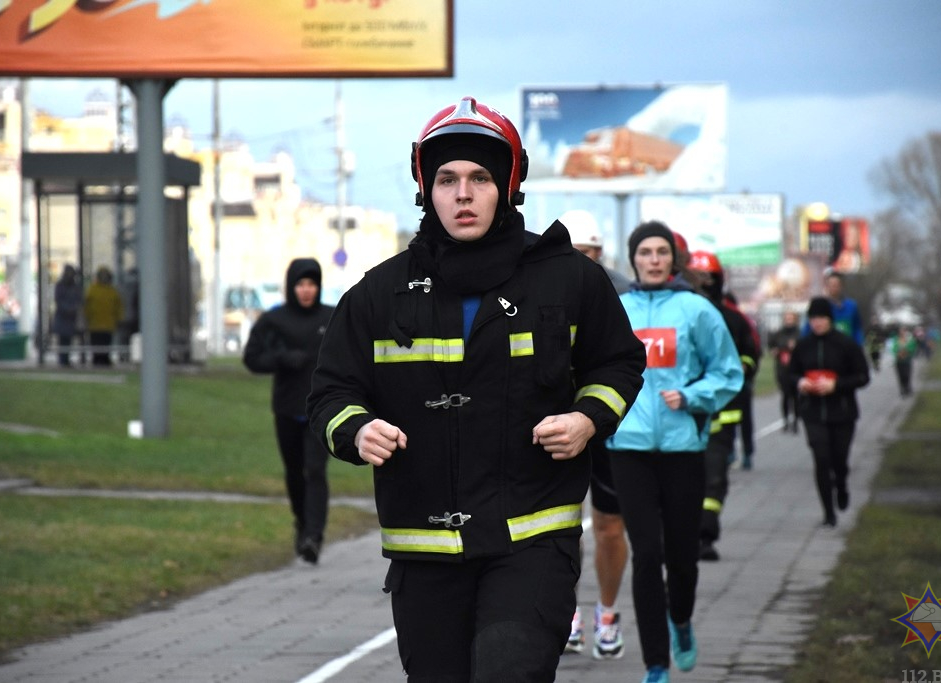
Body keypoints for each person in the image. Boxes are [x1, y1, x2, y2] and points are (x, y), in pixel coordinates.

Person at [306, 96, 647, 682]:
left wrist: (588, 419)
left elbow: (619, 363)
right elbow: (328, 394)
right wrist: (357, 428)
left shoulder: (571, 281)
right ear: (426, 189)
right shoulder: (377, 294)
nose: (463, 193)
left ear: (508, 185)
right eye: (447, 179)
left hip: (533, 541)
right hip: (423, 553)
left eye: (480, 178)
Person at [606, 222, 743, 683]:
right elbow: (591, 369)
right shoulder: (615, 310)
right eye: (645, 252)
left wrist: (692, 397)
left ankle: (681, 620)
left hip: (684, 449)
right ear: (634, 260)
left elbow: (727, 373)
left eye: (662, 251)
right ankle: (656, 665)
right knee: (646, 554)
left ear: (673, 260)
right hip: (629, 448)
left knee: (681, 557)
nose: (654, 259)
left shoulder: (696, 310)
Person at [559, 208, 630, 660]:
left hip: (605, 424)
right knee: (561, 527)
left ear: (600, 254)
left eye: (588, 253)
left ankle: (607, 613)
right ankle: (567, 616)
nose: (581, 263)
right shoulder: (536, 291)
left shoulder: (621, 291)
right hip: (556, 425)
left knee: (607, 526)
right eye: (573, 253)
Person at [243, 258, 335, 564]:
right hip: (286, 408)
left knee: (315, 470)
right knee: (295, 474)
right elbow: (252, 357)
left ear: (319, 287)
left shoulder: (331, 318)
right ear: (291, 286)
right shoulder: (275, 321)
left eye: (312, 284)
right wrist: (282, 359)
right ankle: (301, 523)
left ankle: (314, 536)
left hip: (321, 411)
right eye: (301, 284)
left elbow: (350, 355)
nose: (306, 290)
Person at [688, 250, 758, 563]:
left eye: (709, 278)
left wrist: (742, 367)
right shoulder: (684, 315)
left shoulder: (733, 318)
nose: (704, 284)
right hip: (685, 415)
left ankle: (705, 536)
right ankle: (686, 534)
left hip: (722, 414)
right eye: (698, 278)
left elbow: (751, 352)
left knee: (714, 478)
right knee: (687, 480)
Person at [788, 297, 870, 528]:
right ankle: (828, 512)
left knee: (839, 460)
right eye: (813, 318)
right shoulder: (803, 346)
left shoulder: (846, 344)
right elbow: (791, 374)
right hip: (813, 412)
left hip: (842, 412)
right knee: (821, 459)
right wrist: (800, 382)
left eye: (822, 318)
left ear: (830, 320)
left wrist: (837, 385)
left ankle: (841, 484)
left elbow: (863, 376)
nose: (817, 323)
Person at [722, 291, 761, 469]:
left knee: (742, 419)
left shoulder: (740, 320)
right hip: (724, 380)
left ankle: (746, 454)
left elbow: (753, 350)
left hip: (741, 380)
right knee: (728, 419)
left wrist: (744, 367)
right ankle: (730, 452)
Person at [805, 269, 864, 345]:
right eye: (831, 285)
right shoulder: (820, 307)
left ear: (841, 286)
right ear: (827, 286)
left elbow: (857, 329)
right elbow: (808, 330)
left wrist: (858, 346)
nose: (834, 288)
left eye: (836, 285)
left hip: (847, 349)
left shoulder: (851, 306)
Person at [768, 310, 802, 433]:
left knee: (795, 396)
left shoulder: (799, 334)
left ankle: (796, 421)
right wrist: (774, 351)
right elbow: (771, 345)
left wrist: (795, 347)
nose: (788, 321)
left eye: (791, 318)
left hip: (796, 368)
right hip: (782, 368)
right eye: (786, 318)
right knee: (785, 395)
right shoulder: (778, 334)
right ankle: (786, 420)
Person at [83, 266, 123, 366]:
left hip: (107, 324)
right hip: (95, 324)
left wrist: (119, 319)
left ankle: (105, 360)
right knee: (96, 345)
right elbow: (86, 306)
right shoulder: (92, 290)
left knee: (106, 344)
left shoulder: (112, 291)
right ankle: (97, 360)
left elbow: (118, 306)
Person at [53, 264, 83, 367]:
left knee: (69, 340)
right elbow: (58, 301)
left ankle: (66, 359)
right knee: (62, 340)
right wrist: (68, 309)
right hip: (62, 318)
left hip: (72, 319)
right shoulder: (60, 285)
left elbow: (79, 299)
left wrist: (74, 308)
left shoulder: (75, 286)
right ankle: (63, 360)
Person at [892, 326, 917, 398]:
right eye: (900, 331)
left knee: (907, 375)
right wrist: (898, 353)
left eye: (903, 331)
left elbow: (913, 347)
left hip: (907, 360)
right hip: (899, 361)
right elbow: (893, 348)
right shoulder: (896, 340)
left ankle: (907, 387)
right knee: (900, 376)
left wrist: (907, 352)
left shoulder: (909, 340)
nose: (902, 332)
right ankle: (902, 389)